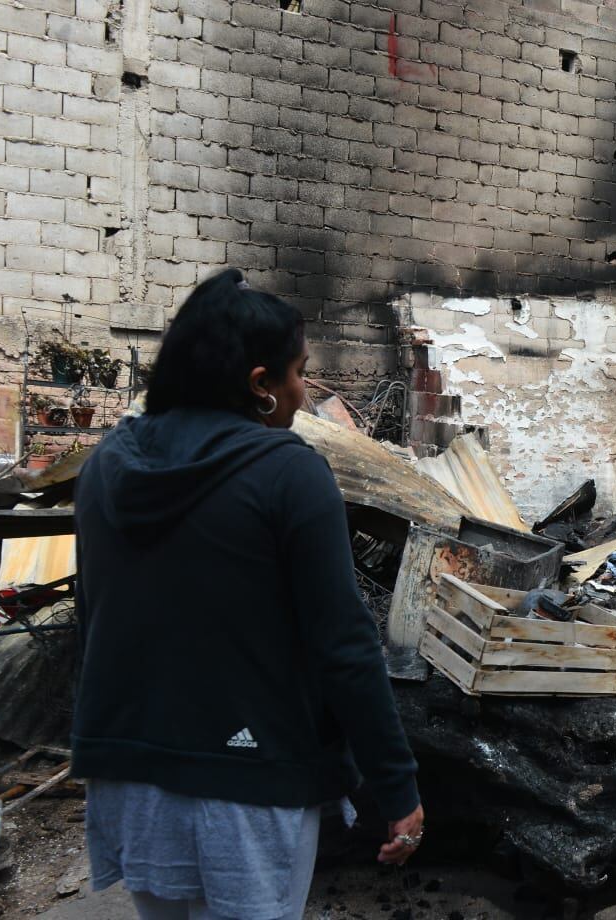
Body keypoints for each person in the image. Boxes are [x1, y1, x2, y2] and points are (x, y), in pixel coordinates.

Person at [71, 269, 423, 920]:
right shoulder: (289, 474)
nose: (303, 390)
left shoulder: (104, 470)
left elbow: (90, 622)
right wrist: (396, 784)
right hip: (248, 786)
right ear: (260, 384)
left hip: (129, 781)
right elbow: (343, 644)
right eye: (297, 372)